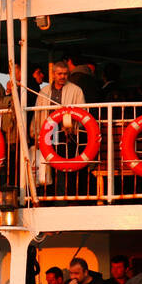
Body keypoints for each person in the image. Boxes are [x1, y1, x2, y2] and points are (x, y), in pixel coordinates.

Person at [30, 61, 89, 197]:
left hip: (66, 135)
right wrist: (35, 134)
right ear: (53, 74)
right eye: (60, 74)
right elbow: (37, 116)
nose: (62, 76)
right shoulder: (43, 92)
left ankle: (63, 198)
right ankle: (47, 197)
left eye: (65, 74)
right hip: (48, 134)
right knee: (46, 168)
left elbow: (83, 112)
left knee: (64, 169)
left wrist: (73, 127)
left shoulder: (76, 90)